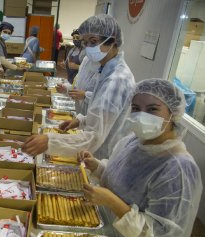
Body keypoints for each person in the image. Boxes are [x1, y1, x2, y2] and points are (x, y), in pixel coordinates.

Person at [79, 79, 202, 237]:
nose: (141, 115)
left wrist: (110, 201)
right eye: (136, 108)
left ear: (173, 114)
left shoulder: (178, 169)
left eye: (152, 109)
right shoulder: (133, 142)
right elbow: (121, 179)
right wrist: (97, 166)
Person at [22, 14, 135, 160]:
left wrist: (50, 141)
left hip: (104, 155)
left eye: (93, 41)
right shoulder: (105, 69)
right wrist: (81, 121)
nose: (88, 48)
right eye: (86, 42)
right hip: (96, 151)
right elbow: (103, 114)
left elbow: (94, 137)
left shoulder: (117, 80)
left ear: (112, 41)